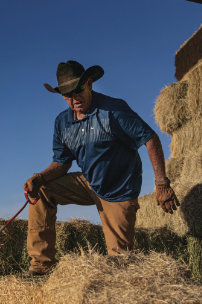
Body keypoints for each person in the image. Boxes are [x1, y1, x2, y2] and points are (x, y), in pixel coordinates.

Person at [23, 60, 179, 276]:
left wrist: (161, 183)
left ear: (89, 84)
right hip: (89, 182)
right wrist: (40, 178)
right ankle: (41, 266)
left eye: (78, 91)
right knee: (41, 190)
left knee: (120, 268)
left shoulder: (113, 110)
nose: (74, 99)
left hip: (119, 190)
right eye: (67, 95)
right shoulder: (62, 123)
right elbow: (61, 163)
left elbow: (150, 138)